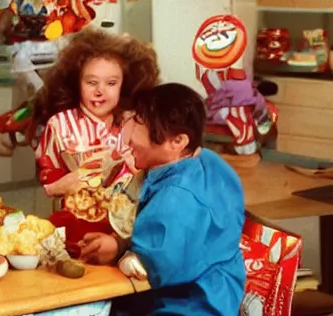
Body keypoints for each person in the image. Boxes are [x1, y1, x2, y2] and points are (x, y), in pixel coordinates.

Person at [83, 83, 246, 316]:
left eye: (139, 124)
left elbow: (155, 266)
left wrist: (121, 251)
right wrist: (119, 243)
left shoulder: (177, 201)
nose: (129, 138)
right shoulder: (209, 161)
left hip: (187, 307)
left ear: (178, 142)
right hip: (220, 294)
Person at [32, 28, 159, 256]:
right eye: (92, 82)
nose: (100, 92)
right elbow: (47, 176)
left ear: (124, 85)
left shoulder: (135, 123)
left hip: (127, 232)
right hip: (76, 231)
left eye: (111, 83)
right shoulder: (59, 124)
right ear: (76, 82)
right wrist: (60, 185)